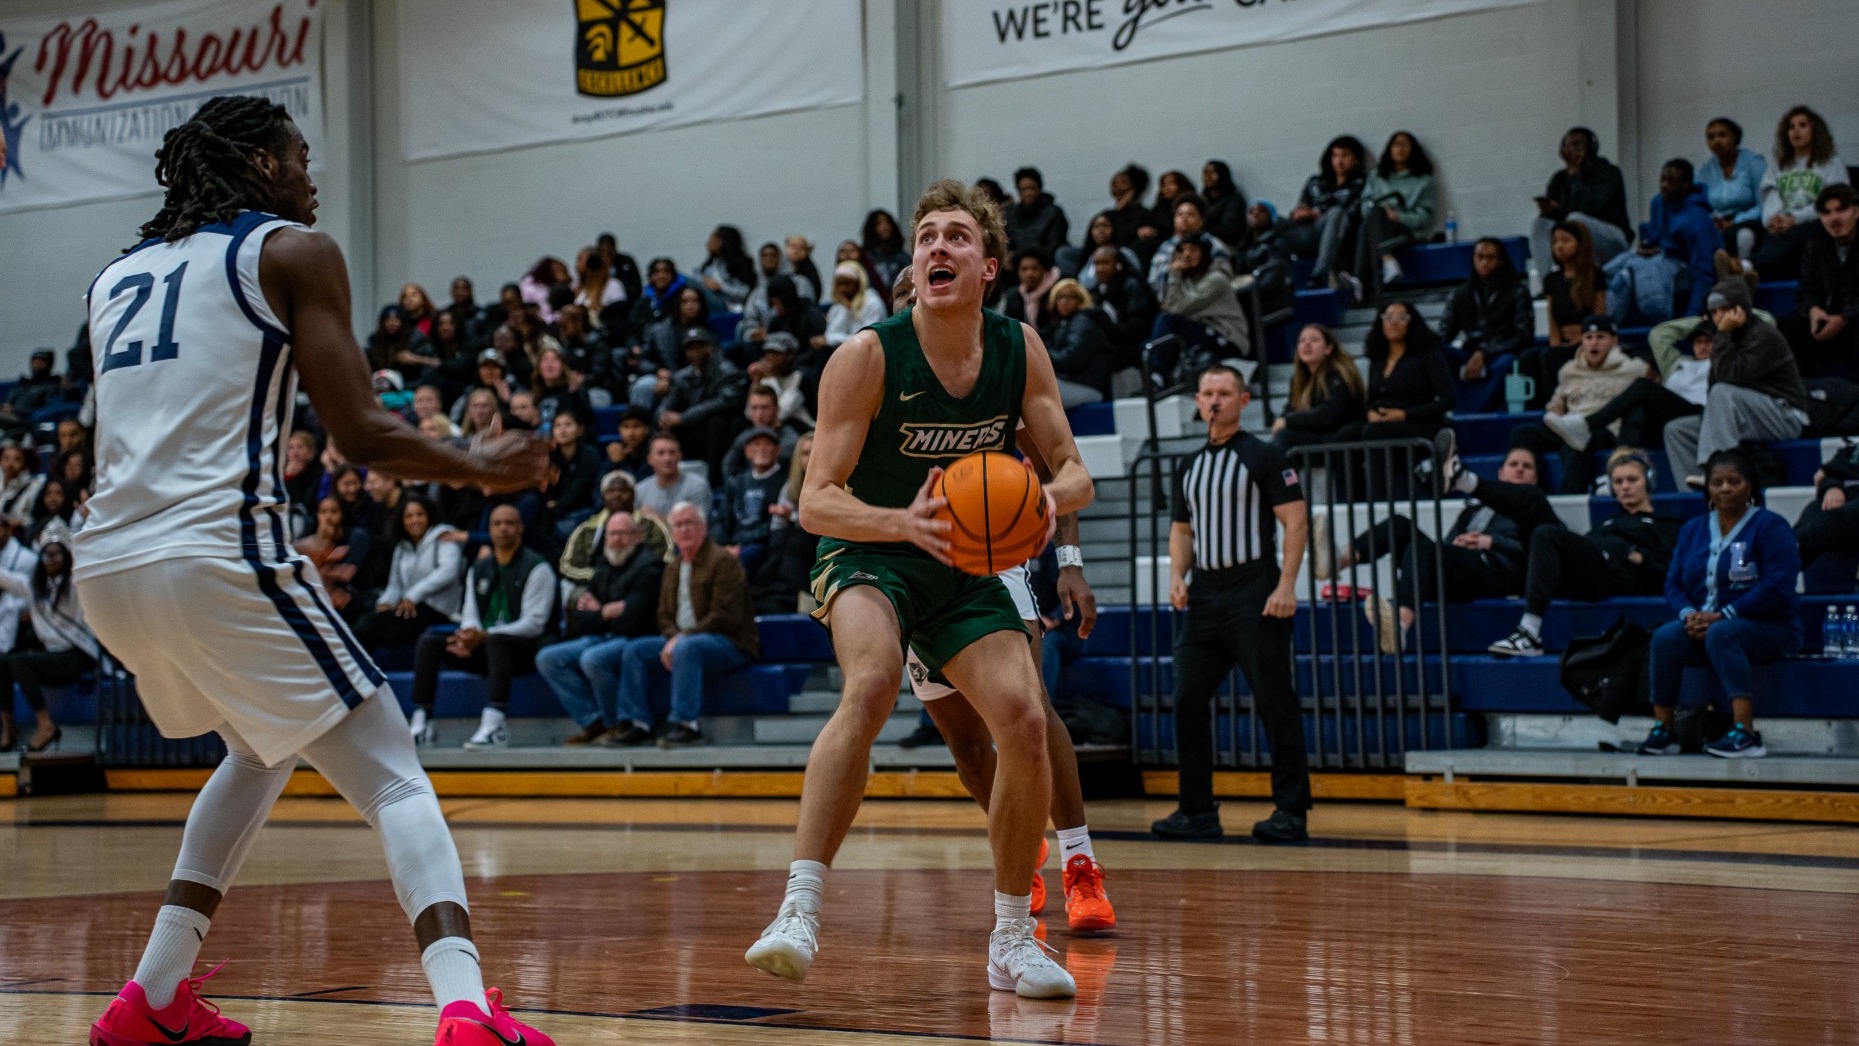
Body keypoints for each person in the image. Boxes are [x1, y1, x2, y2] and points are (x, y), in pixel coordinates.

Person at [73, 96, 553, 1046]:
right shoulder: (291, 250)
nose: (310, 176)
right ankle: (466, 1011)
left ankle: (154, 999)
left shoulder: (113, 275)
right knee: (394, 778)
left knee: (260, 747)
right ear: (258, 165)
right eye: (298, 156)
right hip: (214, 551)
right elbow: (362, 433)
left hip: (108, 567)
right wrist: (479, 463)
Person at [745, 179, 1093, 1000]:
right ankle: (797, 909)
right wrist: (902, 522)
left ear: (988, 267)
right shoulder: (866, 355)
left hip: (964, 563)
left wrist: (1043, 500)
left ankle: (1012, 938)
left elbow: (1075, 469)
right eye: (926, 236)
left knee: (1023, 719)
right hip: (873, 549)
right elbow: (815, 500)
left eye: (957, 237)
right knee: (868, 684)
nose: (938, 246)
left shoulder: (1019, 349)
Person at [1152, 366, 1311, 842]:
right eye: (1207, 393)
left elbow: (1296, 521)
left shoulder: (1264, 455)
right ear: (1197, 402)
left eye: (1224, 393)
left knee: (1274, 700)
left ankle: (1291, 811)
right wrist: (1176, 576)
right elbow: (1182, 529)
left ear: (1243, 401)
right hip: (1204, 595)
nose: (1215, 401)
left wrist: (1285, 586)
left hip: (1253, 590)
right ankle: (1196, 810)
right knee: (1186, 699)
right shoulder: (1189, 465)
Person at [1638, 449, 1801, 759]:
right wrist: (1689, 615)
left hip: (1771, 627)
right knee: (1665, 638)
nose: (1725, 488)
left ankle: (1746, 734)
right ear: (1708, 488)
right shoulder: (1693, 529)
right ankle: (1664, 730)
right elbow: (1673, 582)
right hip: (1708, 627)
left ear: (1749, 486)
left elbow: (1778, 585)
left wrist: (1723, 616)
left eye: (1734, 481)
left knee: (1724, 633)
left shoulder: (1771, 526)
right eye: (1717, 482)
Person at [1319, 443, 1554, 652]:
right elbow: (1447, 543)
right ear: (1501, 472)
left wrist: (1489, 542)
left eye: (1527, 466)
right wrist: (1457, 544)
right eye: (1513, 464)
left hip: (1498, 572)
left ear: (1535, 478)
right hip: (1462, 568)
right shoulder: (1474, 507)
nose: (1520, 469)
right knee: (1400, 525)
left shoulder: (1537, 507)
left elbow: (1543, 552)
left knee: (1422, 550)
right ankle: (1339, 560)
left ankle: (1399, 625)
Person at [1487, 448, 1684, 656]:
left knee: (1546, 531)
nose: (1625, 487)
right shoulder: (1605, 524)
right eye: (1618, 482)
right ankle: (1466, 481)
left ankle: (1528, 632)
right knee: (1533, 516)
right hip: (1588, 572)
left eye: (1632, 480)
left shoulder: (1665, 523)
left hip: (1619, 574)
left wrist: (1640, 557)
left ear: (1648, 481)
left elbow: (1669, 571)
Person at [409, 505, 554, 749]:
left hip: (526, 649)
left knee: (497, 642)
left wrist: (484, 636)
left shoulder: (537, 567)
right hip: (487, 647)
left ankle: (495, 724)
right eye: (497, 524)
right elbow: (470, 615)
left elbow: (534, 623)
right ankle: (422, 722)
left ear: (520, 528)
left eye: (509, 523)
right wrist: (468, 636)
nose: (503, 528)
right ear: (489, 530)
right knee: (430, 641)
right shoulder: (479, 568)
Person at [614, 502, 758, 748]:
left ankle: (687, 726)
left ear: (703, 527)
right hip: (684, 639)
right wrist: (673, 636)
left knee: (687, 649)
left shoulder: (723, 561)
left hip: (730, 641)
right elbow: (663, 615)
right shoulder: (673, 566)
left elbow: (723, 615)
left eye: (690, 523)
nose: (684, 530)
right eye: (678, 525)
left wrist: (682, 638)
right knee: (634, 650)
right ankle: (638, 723)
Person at [1664, 277, 1809, 489]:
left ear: (1739, 309)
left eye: (1723, 309)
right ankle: (1694, 496)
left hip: (1785, 414)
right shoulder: (1727, 338)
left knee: (1723, 392)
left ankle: (1717, 473)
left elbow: (1731, 379)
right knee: (1677, 430)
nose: (1718, 317)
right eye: (1713, 312)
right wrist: (1724, 337)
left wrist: (1723, 335)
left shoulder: (1763, 335)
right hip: (1748, 413)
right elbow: (1714, 385)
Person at [538, 510, 664, 746]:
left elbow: (631, 621)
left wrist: (598, 612)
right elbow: (581, 618)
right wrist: (606, 611)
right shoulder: (603, 565)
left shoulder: (650, 569)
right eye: (612, 534)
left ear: (637, 537)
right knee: (548, 658)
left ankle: (617, 723)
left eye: (623, 534)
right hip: (601, 635)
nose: (617, 539)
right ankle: (593, 722)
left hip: (634, 638)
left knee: (593, 658)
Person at [1511, 315, 1647, 493]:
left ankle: (1572, 494)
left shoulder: (1633, 369)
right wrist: (1556, 417)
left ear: (1614, 341)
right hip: (1570, 425)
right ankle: (1531, 488)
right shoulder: (1569, 370)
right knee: (1522, 433)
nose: (1594, 343)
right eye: (1588, 338)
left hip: (1605, 430)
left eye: (1600, 337)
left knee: (1577, 442)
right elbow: (1555, 406)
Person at [0, 531, 95, 752]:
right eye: (45, 556)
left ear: (66, 558)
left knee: (19, 662)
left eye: (56, 556)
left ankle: (45, 724)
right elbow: (5, 577)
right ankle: (7, 728)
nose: (50, 561)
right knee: (3, 662)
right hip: (54, 657)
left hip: (78, 653)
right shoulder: (35, 587)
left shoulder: (75, 584)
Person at [1604, 159, 1718, 326]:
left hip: (1685, 270)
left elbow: (1703, 272)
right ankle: (1604, 326)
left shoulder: (1697, 221)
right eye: (1662, 179)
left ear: (1686, 185)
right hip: (1661, 257)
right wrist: (1646, 244)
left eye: (1671, 181)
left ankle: (1654, 319)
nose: (1664, 185)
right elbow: (1654, 235)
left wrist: (1691, 318)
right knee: (1614, 267)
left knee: (1637, 268)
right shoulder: (1658, 202)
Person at [354, 493, 466, 651]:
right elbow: (395, 584)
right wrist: (385, 603)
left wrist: (413, 595)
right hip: (410, 608)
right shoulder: (401, 547)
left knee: (371, 627)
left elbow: (448, 572)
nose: (415, 520)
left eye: (420, 514)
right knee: (369, 620)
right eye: (409, 516)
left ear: (429, 515)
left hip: (440, 610)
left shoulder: (443, 536)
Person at [1752, 105, 1850, 280]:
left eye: (1802, 125)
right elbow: (1769, 197)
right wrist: (1774, 219)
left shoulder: (1831, 163)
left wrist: (1795, 219)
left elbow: (1836, 203)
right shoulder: (1778, 165)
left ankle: (1746, 267)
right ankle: (1747, 274)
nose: (1796, 130)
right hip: (1783, 226)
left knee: (1797, 235)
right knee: (1773, 236)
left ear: (1815, 130)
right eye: (1791, 127)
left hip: (1814, 223)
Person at [1338, 300, 1453, 444]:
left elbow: (1448, 400)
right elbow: (1372, 398)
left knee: (1375, 431)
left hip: (1419, 423)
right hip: (1381, 423)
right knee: (1345, 435)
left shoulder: (1429, 355)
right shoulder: (1378, 358)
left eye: (1401, 317)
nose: (1394, 322)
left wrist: (1404, 414)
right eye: (1388, 317)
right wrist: (1370, 412)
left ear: (1411, 323)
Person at [1439, 237, 1533, 411]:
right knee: (1437, 355)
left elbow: (1523, 335)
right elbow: (1444, 335)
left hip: (1501, 352)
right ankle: (1447, 409)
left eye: (1490, 257)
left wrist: (1485, 352)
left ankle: (1476, 410)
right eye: (1479, 257)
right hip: (1469, 353)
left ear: (1501, 260)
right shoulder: (1459, 293)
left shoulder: (1517, 292)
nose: (1484, 262)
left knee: (1508, 363)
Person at [1778, 184, 1859, 380]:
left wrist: (1844, 318)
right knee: (1786, 325)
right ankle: (1802, 394)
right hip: (1827, 322)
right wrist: (1813, 310)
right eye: (1826, 213)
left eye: (1841, 210)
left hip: (1854, 321)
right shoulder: (1816, 246)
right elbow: (1807, 288)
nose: (1834, 218)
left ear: (1856, 211)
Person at [1153, 236, 1250, 387]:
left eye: (1193, 250)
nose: (1186, 255)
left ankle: (1158, 378)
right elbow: (1169, 306)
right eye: (1182, 251)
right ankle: (1158, 378)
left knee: (1168, 322)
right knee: (1149, 341)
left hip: (1228, 340)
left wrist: (1174, 273)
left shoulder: (1217, 279)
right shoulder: (1187, 280)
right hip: (1202, 332)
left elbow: (1175, 309)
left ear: (1204, 254)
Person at [1531, 126, 1633, 267]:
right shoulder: (1559, 178)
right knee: (1540, 224)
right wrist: (1549, 212)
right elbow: (1560, 220)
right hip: (1574, 234)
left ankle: (1591, 276)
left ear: (1591, 148)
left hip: (1612, 238)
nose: (1573, 150)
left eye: (1578, 144)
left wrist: (1575, 176)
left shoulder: (1608, 172)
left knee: (1576, 219)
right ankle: (1549, 283)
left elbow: (1590, 207)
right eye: (1569, 145)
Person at [658, 326, 747, 484]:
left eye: (699, 347)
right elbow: (669, 401)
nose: (695, 352)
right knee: (661, 429)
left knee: (716, 422)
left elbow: (725, 402)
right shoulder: (683, 376)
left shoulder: (726, 369)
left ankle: (714, 480)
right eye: (691, 348)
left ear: (710, 347)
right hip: (694, 429)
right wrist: (663, 416)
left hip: (722, 431)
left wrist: (684, 417)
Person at [1355, 130, 1438, 297]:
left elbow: (1424, 217)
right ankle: (1387, 261)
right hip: (1378, 223)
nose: (1399, 149)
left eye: (1405, 144)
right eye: (1396, 144)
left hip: (1405, 229)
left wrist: (1398, 216)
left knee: (1368, 227)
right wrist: (1383, 212)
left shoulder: (1424, 181)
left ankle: (1359, 279)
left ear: (1413, 150)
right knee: (1372, 218)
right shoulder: (1377, 175)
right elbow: (1365, 204)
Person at [1283, 135, 1368, 289]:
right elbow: (1302, 206)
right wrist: (1300, 214)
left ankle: (1319, 273)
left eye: (1345, 156)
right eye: (1335, 156)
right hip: (1310, 230)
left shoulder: (1362, 183)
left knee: (1336, 213)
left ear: (1356, 159)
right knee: (1274, 222)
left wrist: (1319, 215)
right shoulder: (1315, 182)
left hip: (1343, 233)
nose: (1339, 161)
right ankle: (1281, 282)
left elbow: (1354, 214)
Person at [1271, 324, 1366, 452]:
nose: (1307, 344)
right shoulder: (1298, 379)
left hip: (1340, 438)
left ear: (1328, 348)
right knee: (1273, 445)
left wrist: (1287, 421)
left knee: (1284, 438)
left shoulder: (1338, 374)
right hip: (1317, 436)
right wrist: (1283, 421)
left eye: (1314, 340)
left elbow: (1328, 415)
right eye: (1302, 341)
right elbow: (1290, 409)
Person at [1699, 117, 1768, 262]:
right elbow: (1700, 204)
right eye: (1711, 137)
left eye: (1722, 135)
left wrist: (1736, 220)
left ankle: (1743, 274)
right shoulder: (1706, 169)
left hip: (1749, 221)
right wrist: (1712, 219)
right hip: (1718, 223)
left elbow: (1763, 204)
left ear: (1735, 137)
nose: (1716, 141)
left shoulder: (1754, 162)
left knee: (1744, 236)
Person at [1796, 441, 1859, 592]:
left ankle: (1792, 543)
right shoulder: (1853, 449)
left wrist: (1832, 473)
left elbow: (1830, 470)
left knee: (1844, 517)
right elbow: (1828, 473)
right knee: (1815, 509)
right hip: (1847, 499)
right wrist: (1832, 487)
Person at [294, 494, 370, 619]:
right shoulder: (311, 538)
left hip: (356, 594)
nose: (328, 517)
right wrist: (320, 540)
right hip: (324, 592)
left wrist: (326, 542)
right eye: (323, 512)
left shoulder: (357, 536)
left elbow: (344, 575)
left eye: (334, 512)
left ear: (343, 514)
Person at [1145, 194, 1235, 297]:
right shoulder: (1166, 246)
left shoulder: (1214, 245)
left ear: (1201, 221)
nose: (1184, 218)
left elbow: (1223, 278)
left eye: (1190, 215)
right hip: (1168, 301)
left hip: (1204, 300)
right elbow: (1153, 280)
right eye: (1180, 215)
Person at [1042, 279, 1115, 406]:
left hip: (1086, 386)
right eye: (1060, 297)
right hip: (1072, 383)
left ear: (1080, 300)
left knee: (1031, 389)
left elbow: (1071, 359)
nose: (1064, 301)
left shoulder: (1082, 322)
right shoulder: (1065, 323)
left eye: (1071, 297)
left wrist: (1041, 355)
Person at [634, 433, 712, 520]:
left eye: (672, 453)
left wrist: (657, 520)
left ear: (680, 456)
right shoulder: (640, 491)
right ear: (650, 459)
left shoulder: (697, 486)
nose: (667, 458)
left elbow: (698, 524)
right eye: (661, 453)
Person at [1003, 166, 1070, 255]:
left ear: (1039, 188)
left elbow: (1054, 244)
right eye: (1024, 189)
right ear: (1018, 191)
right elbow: (1007, 243)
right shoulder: (1011, 215)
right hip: (1018, 262)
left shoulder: (1054, 212)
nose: (1028, 193)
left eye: (1032, 188)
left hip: (1044, 261)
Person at [824, 262, 886, 349]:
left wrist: (830, 340)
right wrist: (846, 309)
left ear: (858, 283)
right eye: (839, 284)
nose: (842, 288)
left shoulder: (872, 303)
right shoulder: (838, 306)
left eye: (847, 284)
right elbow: (830, 334)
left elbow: (866, 338)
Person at [1001, 247, 1059, 332]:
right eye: (1024, 269)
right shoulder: (1013, 295)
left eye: (1034, 268)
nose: (1029, 274)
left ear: (1044, 269)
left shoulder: (1056, 292)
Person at [699, 224, 755, 311]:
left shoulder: (739, 265)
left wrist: (720, 287)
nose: (709, 242)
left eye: (714, 238)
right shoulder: (710, 266)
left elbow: (745, 292)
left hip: (733, 307)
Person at [1200, 159, 1248, 251]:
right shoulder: (1202, 199)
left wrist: (1201, 229)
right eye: (1205, 173)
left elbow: (1230, 230)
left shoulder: (1234, 199)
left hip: (1226, 245)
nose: (1207, 177)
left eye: (1212, 173)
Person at [861, 209, 912, 291]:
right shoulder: (865, 258)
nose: (885, 227)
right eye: (879, 224)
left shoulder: (903, 258)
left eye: (887, 223)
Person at [0, 439, 45, 524]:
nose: (10, 464)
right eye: (6, 458)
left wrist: (15, 522)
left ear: (25, 464)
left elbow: (33, 520)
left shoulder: (33, 486)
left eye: (17, 459)